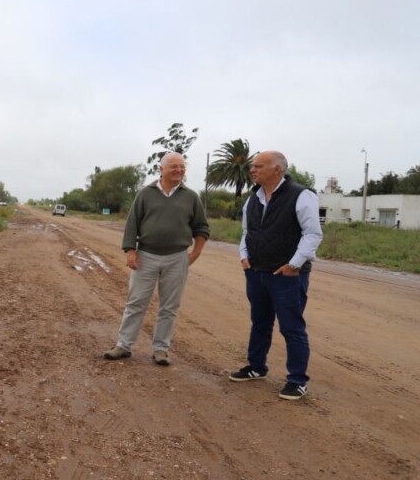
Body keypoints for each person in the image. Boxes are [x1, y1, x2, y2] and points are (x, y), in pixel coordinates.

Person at [229, 150, 323, 401]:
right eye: (252, 166)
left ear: (277, 169)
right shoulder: (253, 198)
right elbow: (247, 232)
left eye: (258, 166)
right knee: (260, 322)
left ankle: (297, 380)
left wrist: (294, 265)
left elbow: (312, 234)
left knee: (292, 327)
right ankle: (256, 367)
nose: (253, 170)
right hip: (256, 272)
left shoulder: (301, 195)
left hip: (287, 275)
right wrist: (244, 255)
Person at [104, 152, 210, 366]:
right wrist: (130, 251)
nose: (179, 170)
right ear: (161, 169)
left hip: (177, 257)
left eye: (182, 167)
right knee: (136, 302)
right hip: (146, 255)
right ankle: (124, 345)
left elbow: (202, 228)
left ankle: (161, 349)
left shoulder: (191, 197)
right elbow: (132, 223)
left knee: (169, 307)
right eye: (174, 166)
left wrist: (195, 253)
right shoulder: (145, 194)